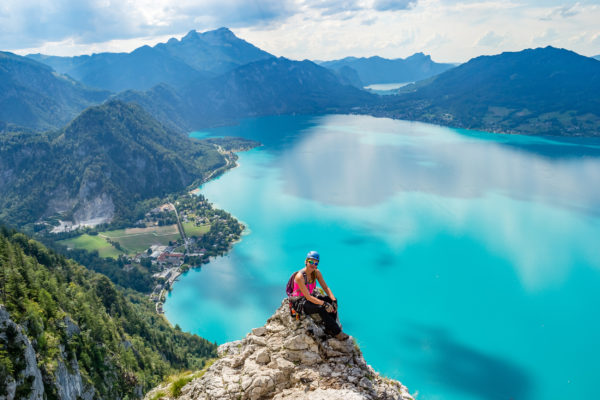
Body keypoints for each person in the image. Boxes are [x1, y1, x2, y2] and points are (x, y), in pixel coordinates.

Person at [291, 251, 349, 340]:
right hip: (300, 302)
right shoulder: (300, 277)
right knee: (321, 308)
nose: (313, 264)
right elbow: (308, 297)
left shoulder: (316, 273)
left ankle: (329, 328)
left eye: (315, 263)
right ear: (306, 261)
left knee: (331, 300)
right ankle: (337, 332)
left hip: (310, 298)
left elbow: (325, 287)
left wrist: (333, 300)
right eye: (311, 261)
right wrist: (324, 304)